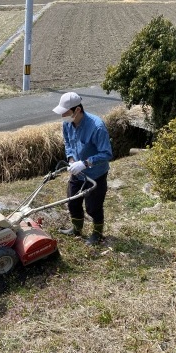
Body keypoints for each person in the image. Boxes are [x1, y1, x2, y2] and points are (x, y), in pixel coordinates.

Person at [52, 91, 113, 245]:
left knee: (93, 207)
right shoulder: (67, 123)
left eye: (65, 113)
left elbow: (106, 153)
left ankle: (97, 234)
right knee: (72, 201)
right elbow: (68, 143)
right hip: (77, 172)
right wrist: (72, 159)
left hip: (95, 174)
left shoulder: (97, 126)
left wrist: (85, 163)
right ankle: (76, 229)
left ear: (77, 110)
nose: (62, 116)